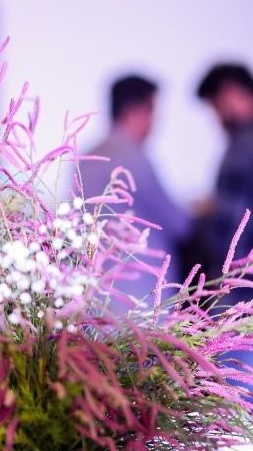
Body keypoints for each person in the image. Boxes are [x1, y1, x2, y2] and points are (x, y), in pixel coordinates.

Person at [80, 75, 189, 289]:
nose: (156, 122)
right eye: (153, 111)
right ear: (136, 111)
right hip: (143, 286)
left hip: (95, 285)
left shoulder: (87, 157)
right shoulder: (133, 158)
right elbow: (178, 223)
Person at [195, 63, 253, 277]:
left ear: (230, 93)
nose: (216, 118)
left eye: (215, 106)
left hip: (239, 282)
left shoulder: (244, 145)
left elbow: (229, 225)